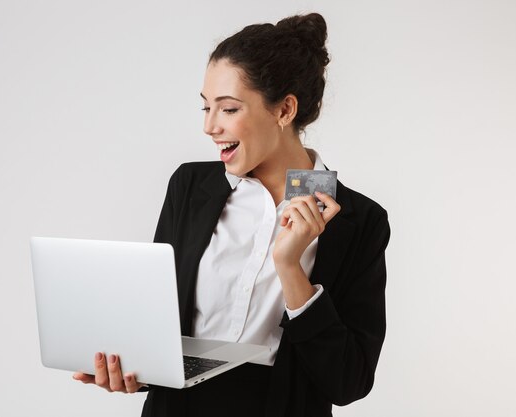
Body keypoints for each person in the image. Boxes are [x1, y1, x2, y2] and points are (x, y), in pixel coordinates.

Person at [73, 12, 390, 417]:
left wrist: (290, 268)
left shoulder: (359, 221)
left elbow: (348, 382)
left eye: (228, 109)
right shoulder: (190, 187)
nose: (209, 126)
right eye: (206, 108)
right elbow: (158, 328)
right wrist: (130, 369)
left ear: (284, 110)